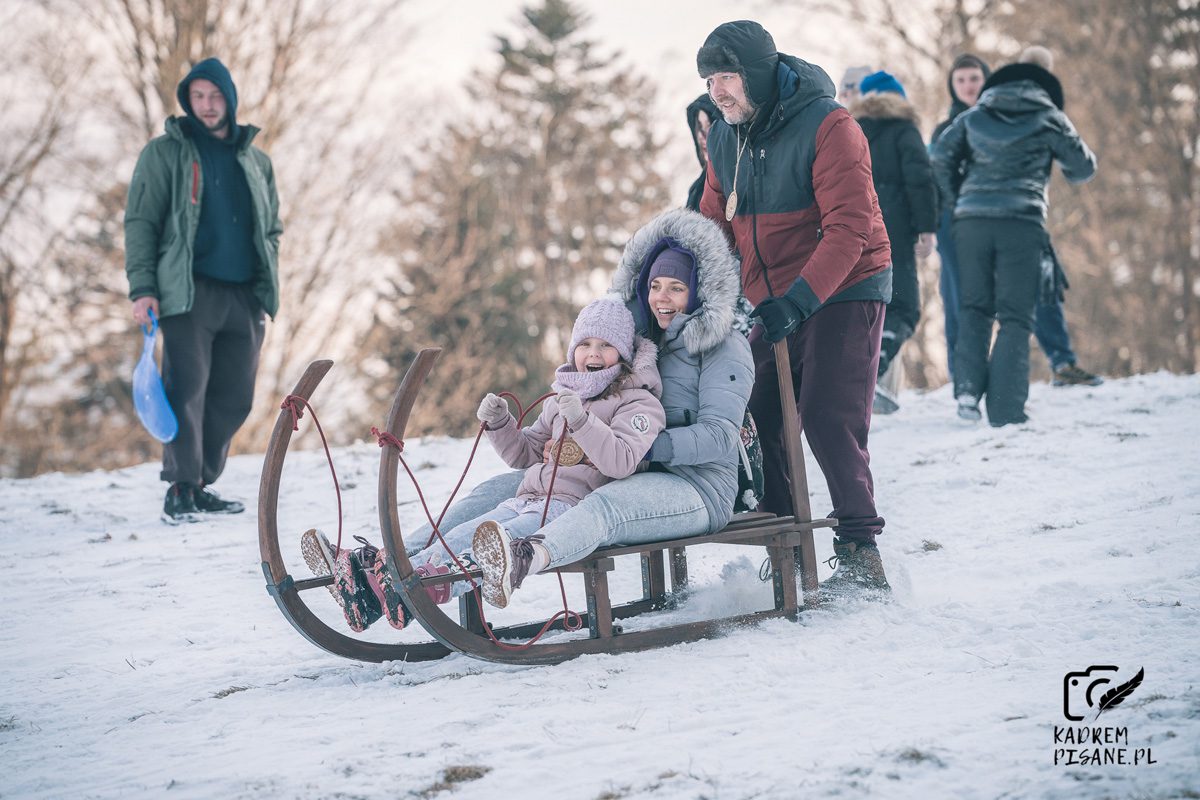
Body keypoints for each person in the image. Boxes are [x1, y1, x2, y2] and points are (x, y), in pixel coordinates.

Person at [304, 208, 754, 628]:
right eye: (655, 286)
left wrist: (635, 449)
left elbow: (719, 437)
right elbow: (549, 436)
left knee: (604, 507)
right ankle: (394, 564)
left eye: (676, 288)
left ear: (698, 291)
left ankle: (520, 558)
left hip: (693, 485)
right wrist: (530, 430)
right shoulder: (631, 340)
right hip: (606, 466)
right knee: (498, 491)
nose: (663, 298)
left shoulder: (722, 346)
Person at [302, 298, 665, 629]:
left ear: (625, 354)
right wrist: (501, 424)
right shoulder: (560, 400)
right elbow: (525, 455)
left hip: (570, 510)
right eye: (585, 344)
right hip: (527, 496)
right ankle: (375, 587)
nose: (593, 353)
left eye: (605, 345)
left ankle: (424, 590)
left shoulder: (638, 403)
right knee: (463, 533)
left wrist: (584, 423)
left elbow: (621, 462)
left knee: (497, 545)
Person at [696, 20, 893, 596]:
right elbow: (713, 229)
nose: (717, 91)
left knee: (827, 414)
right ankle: (788, 542)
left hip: (848, 283)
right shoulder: (724, 138)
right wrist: (693, 294)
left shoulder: (830, 126)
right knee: (753, 405)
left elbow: (849, 228)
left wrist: (799, 301)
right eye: (709, 80)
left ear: (755, 73)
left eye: (726, 77)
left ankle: (860, 547)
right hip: (774, 297)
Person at [124, 57, 282, 524]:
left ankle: (202, 482)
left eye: (215, 97)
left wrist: (265, 281)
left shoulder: (256, 160)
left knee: (235, 396)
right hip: (187, 292)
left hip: (244, 295)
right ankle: (180, 485)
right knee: (184, 389)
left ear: (229, 100)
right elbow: (141, 223)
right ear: (187, 101)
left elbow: (271, 227)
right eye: (198, 97)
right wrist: (143, 288)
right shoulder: (165, 153)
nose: (208, 106)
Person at [932, 51, 1097, 425]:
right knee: (1014, 316)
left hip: (971, 223)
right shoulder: (1049, 116)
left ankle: (968, 392)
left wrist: (960, 200)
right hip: (1021, 223)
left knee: (973, 307)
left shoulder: (975, 115)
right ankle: (1006, 410)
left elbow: (939, 158)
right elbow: (1084, 168)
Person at [850, 70, 937, 415]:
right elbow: (921, 179)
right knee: (903, 306)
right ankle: (873, 370)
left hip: (854, 226)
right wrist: (926, 227)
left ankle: (858, 377)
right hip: (895, 229)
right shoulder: (904, 129)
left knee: (864, 303)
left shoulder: (850, 130)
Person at [685, 93, 720, 212]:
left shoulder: (735, 182)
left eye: (709, 125)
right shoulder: (697, 189)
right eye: (699, 126)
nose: (702, 136)